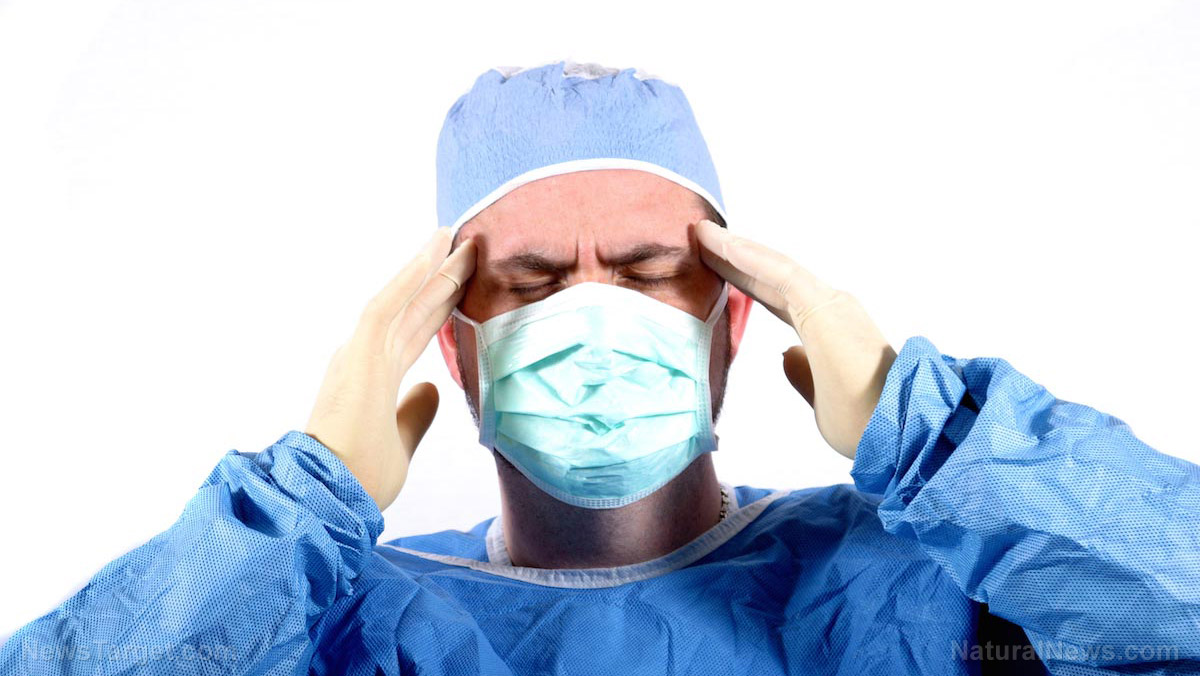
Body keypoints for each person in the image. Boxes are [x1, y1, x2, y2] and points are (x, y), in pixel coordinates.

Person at [2, 59, 1198, 676]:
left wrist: (933, 430)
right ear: (450, 344)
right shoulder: (340, 625)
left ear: (736, 321)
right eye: (530, 282)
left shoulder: (934, 587)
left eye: (646, 268)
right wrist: (299, 506)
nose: (593, 315)